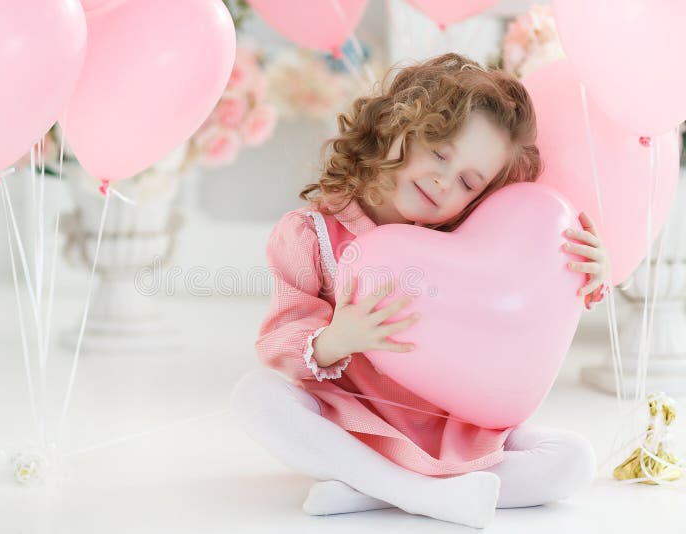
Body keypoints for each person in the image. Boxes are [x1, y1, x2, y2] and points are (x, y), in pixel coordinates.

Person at [230, 53, 608, 529]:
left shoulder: (463, 246)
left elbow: (525, 310)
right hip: (352, 425)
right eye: (439, 152)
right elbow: (277, 344)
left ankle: (378, 491)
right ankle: (410, 489)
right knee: (256, 395)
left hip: (450, 429)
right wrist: (335, 339)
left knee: (574, 460)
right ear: (396, 126)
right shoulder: (312, 235)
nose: (442, 180)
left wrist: (589, 274)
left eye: (468, 182)